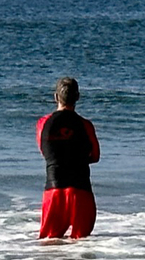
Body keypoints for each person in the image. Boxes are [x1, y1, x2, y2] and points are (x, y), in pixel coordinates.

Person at [36, 76, 100, 240]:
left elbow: (45, 152)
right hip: (81, 191)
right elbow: (95, 156)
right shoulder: (85, 125)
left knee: (49, 242)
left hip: (54, 190)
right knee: (81, 243)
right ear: (77, 97)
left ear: (56, 97)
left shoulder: (43, 123)